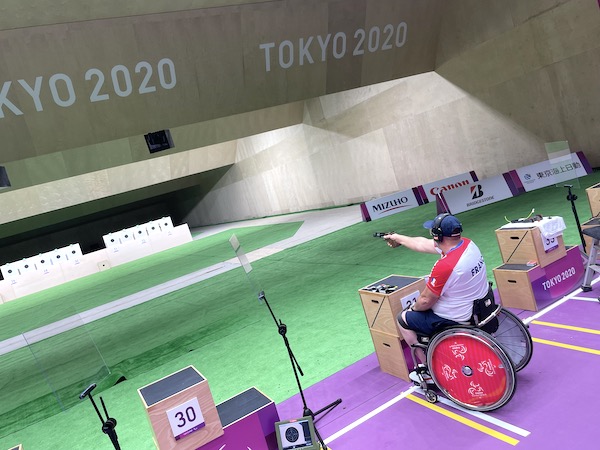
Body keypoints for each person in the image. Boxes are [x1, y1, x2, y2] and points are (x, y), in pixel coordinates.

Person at [383, 213, 491, 383]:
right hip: (480, 305)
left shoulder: (446, 265)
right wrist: (398, 238)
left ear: (438, 236)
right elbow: (422, 243)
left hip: (458, 316)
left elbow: (425, 301)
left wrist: (413, 308)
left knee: (404, 319)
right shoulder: (468, 244)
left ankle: (428, 370)